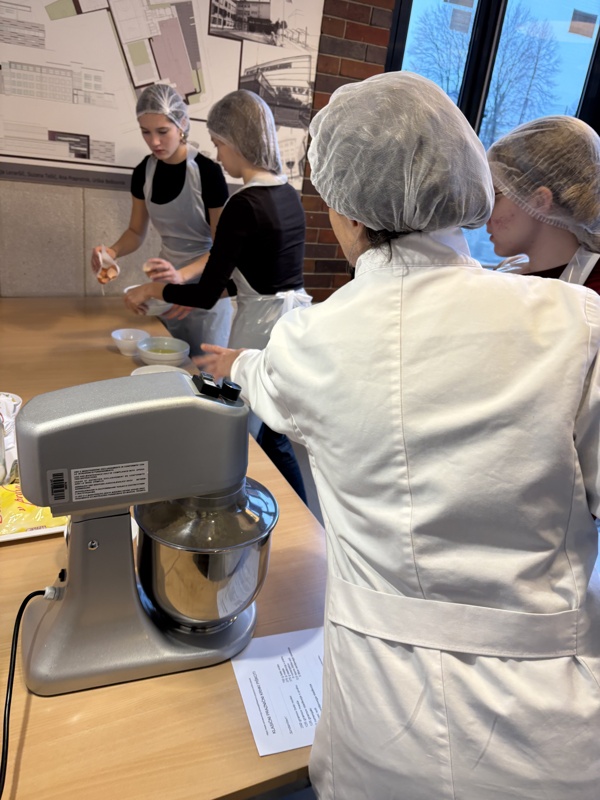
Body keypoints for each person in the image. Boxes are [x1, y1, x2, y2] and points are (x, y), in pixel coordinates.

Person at [194, 72, 600, 799]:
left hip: (379, 731)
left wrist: (234, 363)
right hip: (548, 736)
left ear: (348, 211)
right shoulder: (574, 326)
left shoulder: (310, 341)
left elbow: (263, 377)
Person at [125, 89, 311, 503]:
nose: (219, 155)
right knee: (273, 429)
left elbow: (211, 292)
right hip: (290, 322)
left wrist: (154, 288)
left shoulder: (243, 203)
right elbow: (249, 279)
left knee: (238, 431)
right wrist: (181, 291)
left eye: (219, 144)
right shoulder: (287, 194)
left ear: (238, 142)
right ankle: (303, 513)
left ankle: (233, 505)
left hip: (257, 329)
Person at [91, 83, 233, 356]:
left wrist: (183, 278)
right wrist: (111, 252)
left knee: (206, 371)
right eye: (145, 132)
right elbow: (135, 231)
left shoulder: (207, 173)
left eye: (162, 131)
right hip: (166, 288)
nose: (154, 141)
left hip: (206, 286)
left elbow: (222, 249)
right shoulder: (143, 172)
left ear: (182, 125)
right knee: (167, 365)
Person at [486, 115, 600, 291]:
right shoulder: (511, 268)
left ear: (540, 201)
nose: (485, 215)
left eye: (495, 196)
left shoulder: (592, 295)